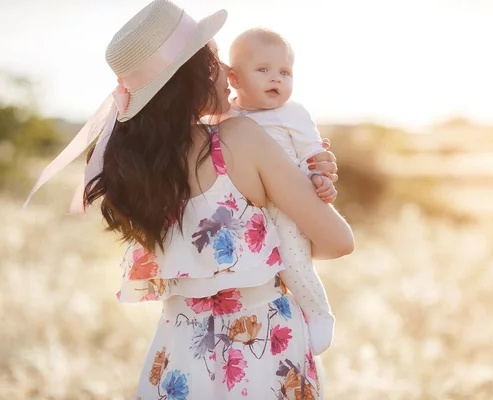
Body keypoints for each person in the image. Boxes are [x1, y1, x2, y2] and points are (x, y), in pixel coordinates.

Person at [23, 0, 354, 398]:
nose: (229, 78)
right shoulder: (243, 139)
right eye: (215, 62)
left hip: (178, 352)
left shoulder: (139, 166)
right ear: (191, 76)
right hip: (262, 347)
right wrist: (308, 183)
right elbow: (338, 241)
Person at [218, 27, 336, 356]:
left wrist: (321, 180)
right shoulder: (226, 115)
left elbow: (315, 158)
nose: (276, 79)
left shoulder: (293, 113)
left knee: (294, 262)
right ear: (235, 79)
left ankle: (318, 313)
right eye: (263, 70)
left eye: (285, 72)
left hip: (287, 203)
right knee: (258, 272)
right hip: (246, 208)